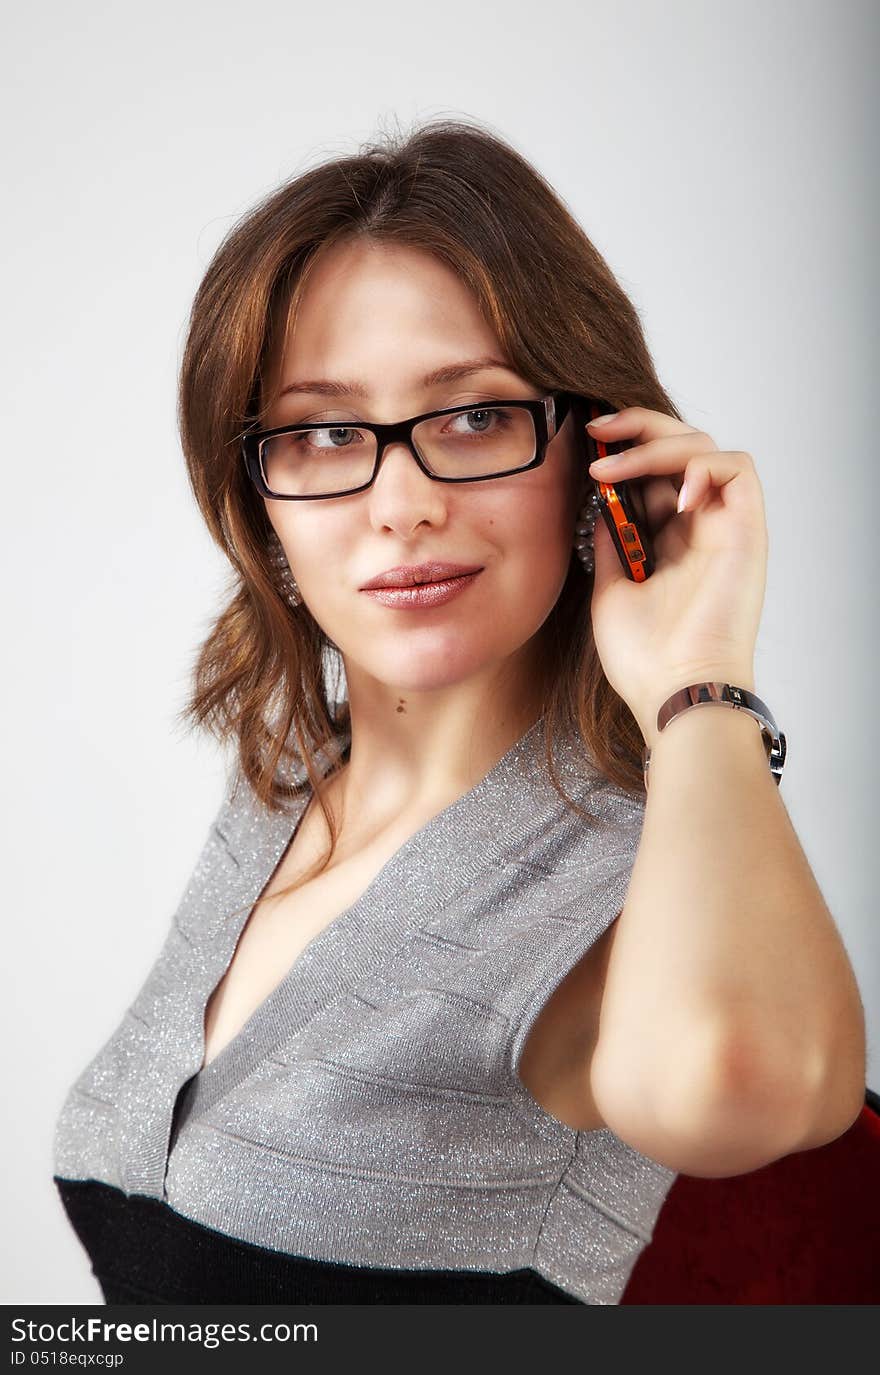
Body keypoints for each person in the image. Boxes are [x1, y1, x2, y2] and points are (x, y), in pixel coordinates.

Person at [52, 116, 866, 1306]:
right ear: (259, 498)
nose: (402, 502)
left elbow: (747, 1092)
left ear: (594, 454)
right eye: (326, 433)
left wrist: (698, 682)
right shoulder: (279, 790)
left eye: (475, 416)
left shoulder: (635, 871)